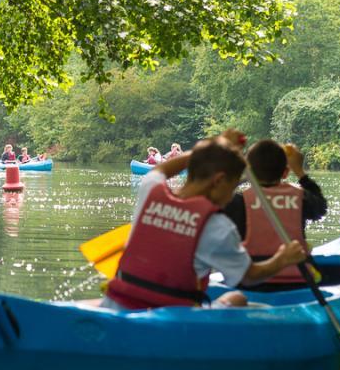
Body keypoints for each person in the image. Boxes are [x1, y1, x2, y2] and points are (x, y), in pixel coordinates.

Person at [103, 130, 306, 310]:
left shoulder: (150, 189)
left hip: (118, 303)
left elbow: (163, 169)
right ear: (218, 181)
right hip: (173, 323)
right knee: (237, 298)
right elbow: (249, 276)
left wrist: (217, 145)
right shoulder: (217, 226)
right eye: (232, 187)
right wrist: (283, 258)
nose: (229, 197)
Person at [223, 140, 327, 287]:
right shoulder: (302, 197)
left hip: (253, 280)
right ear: (285, 172)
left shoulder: (237, 201)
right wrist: (300, 173)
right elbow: (321, 209)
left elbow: (214, 198)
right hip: (298, 280)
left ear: (249, 172)